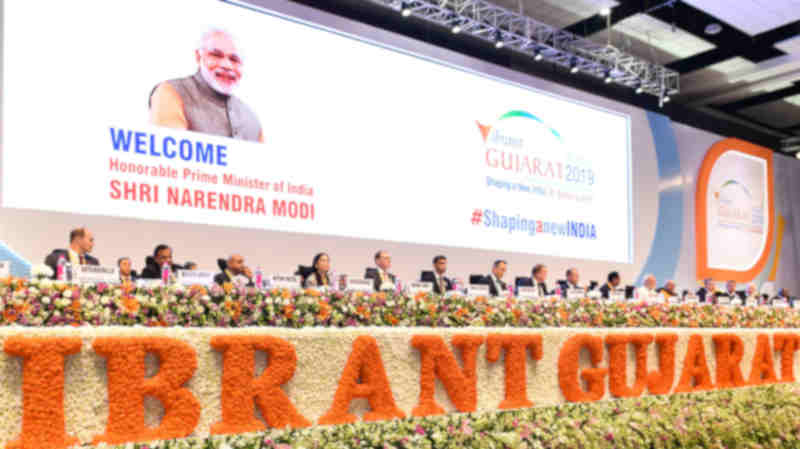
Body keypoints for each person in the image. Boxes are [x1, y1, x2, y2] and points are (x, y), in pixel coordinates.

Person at [149, 28, 264, 143]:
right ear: (199, 57)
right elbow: (170, 153)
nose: (227, 65)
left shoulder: (251, 117)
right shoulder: (171, 92)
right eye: (216, 55)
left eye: (234, 60)